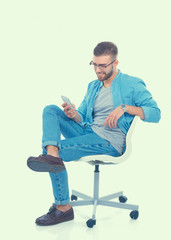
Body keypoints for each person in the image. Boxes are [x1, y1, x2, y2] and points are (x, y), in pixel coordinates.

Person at [27, 41, 161, 226]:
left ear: (115, 63)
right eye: (95, 64)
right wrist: (73, 114)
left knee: (56, 153)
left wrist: (125, 108)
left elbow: (156, 113)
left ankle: (63, 207)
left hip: (109, 141)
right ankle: (51, 155)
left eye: (103, 66)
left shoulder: (132, 84)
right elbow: (83, 117)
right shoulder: (93, 86)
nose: (98, 70)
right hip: (88, 131)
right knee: (50, 110)